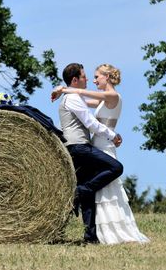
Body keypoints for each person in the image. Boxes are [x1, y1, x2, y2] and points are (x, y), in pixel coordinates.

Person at [52, 64, 149, 244]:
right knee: (102, 179)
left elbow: (86, 98)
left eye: (97, 76)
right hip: (88, 145)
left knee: (103, 180)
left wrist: (63, 89)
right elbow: (89, 119)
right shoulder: (77, 98)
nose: (91, 80)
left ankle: (91, 230)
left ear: (107, 77)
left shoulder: (111, 96)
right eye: (87, 76)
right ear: (75, 79)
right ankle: (90, 224)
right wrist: (65, 90)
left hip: (99, 144)